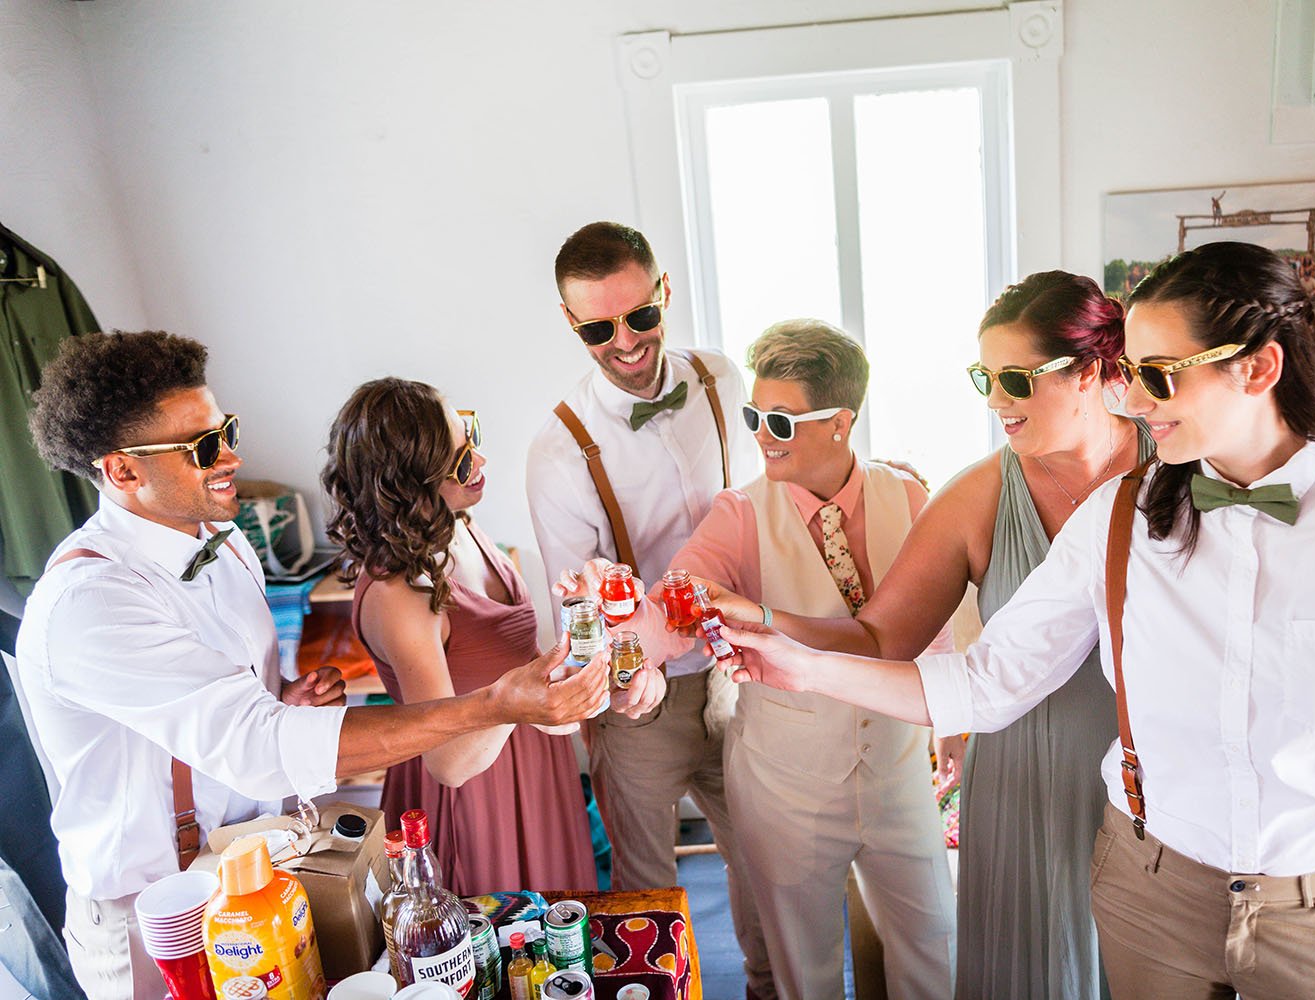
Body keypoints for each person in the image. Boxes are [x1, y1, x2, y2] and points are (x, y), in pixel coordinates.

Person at [717, 242, 1315, 1000]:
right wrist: (800, 663)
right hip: (1150, 892)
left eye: (1155, 375)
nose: (1131, 398)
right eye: (1131, 375)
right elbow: (987, 685)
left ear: (1259, 368)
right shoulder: (1120, 517)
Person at [15, 331, 608, 1000]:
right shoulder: (88, 604)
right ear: (122, 471)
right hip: (159, 910)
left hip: (264, 869)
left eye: (226, 429)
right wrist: (494, 705)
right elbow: (254, 746)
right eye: (206, 446)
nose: (232, 455)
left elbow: (228, 710)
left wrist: (285, 698)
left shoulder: (228, 542)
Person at [703, 275, 1147, 1000]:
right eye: (984, 378)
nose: (994, 400)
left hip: (1148, 784)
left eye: (1014, 379)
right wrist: (774, 626)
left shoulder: (1179, 471)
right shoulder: (975, 496)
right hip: (1022, 787)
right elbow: (882, 636)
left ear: (1091, 370)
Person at [581, 320, 958, 1000]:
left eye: (779, 421)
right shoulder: (739, 514)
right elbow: (682, 599)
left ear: (841, 421)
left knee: (936, 952)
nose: (758, 434)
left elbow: (941, 626)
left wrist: (955, 732)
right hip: (787, 785)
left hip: (900, 773)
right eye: (754, 415)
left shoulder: (908, 497)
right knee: (803, 974)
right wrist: (631, 629)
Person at [524, 222, 772, 997]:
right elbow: (584, 616)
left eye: (640, 315)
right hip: (643, 701)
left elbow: (764, 505)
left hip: (743, 670)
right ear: (572, 325)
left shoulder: (724, 380)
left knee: (765, 860)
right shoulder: (560, 453)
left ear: (666, 291)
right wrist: (640, 673)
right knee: (643, 891)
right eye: (599, 328)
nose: (625, 342)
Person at [321, 378, 665, 896]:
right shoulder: (400, 595)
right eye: (460, 462)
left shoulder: (458, 522)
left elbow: (512, 659)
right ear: (408, 484)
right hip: (478, 796)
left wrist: (590, 615)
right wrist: (518, 704)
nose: (481, 461)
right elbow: (449, 762)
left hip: (531, 769)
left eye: (471, 435)